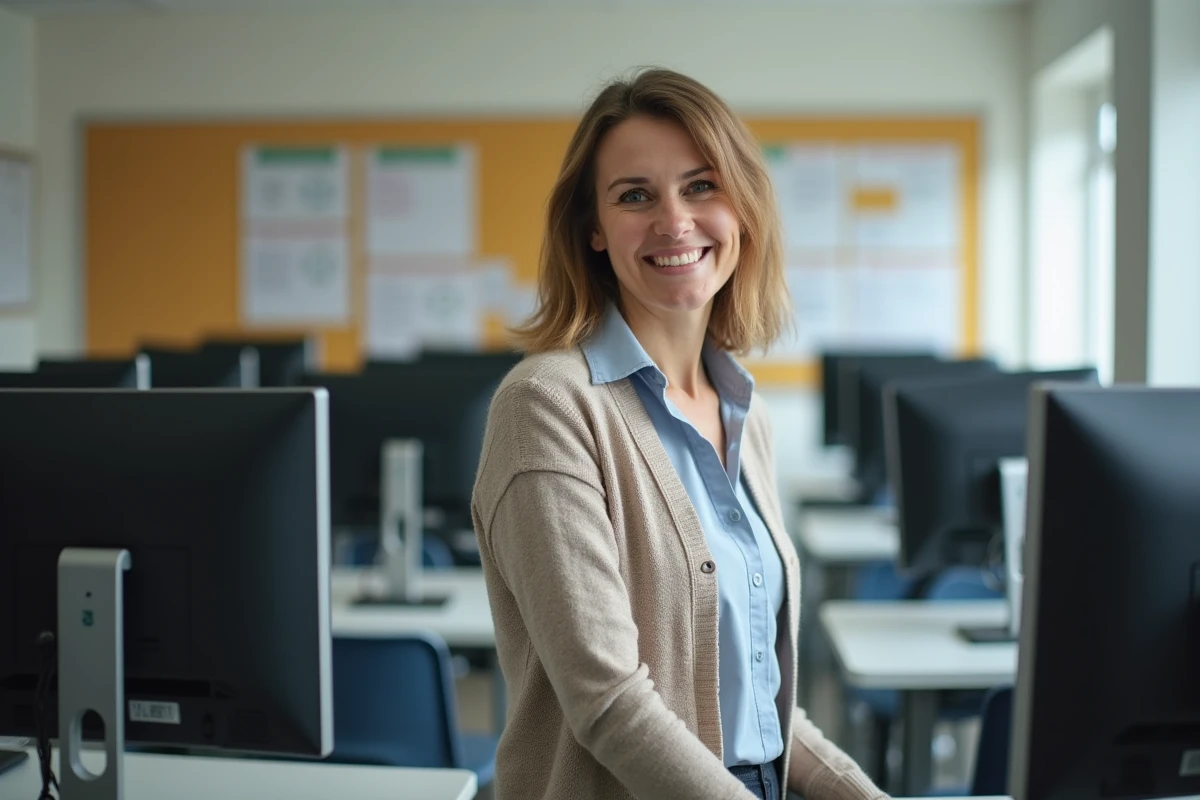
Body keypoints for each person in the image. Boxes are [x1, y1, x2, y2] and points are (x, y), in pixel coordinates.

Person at [471, 67, 888, 800]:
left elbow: (762, 712)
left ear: (743, 208)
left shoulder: (745, 413)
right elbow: (608, 700)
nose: (674, 221)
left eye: (701, 186)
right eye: (636, 196)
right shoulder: (546, 407)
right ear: (593, 230)